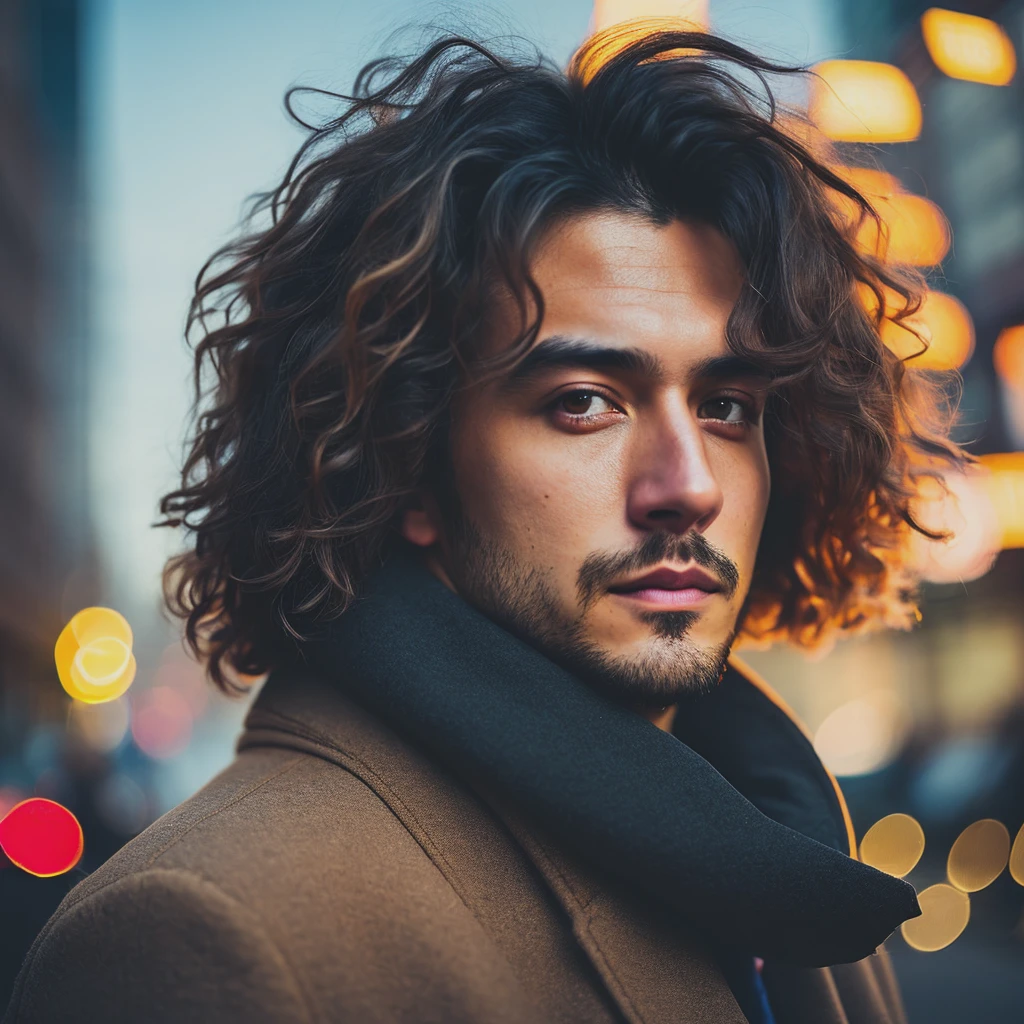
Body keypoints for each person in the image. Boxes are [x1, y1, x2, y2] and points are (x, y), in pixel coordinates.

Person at [5, 25, 963, 1024]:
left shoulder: (796, 870)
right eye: (585, 401)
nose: (687, 485)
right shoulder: (200, 935)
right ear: (406, 455)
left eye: (728, 407)